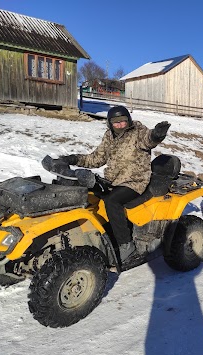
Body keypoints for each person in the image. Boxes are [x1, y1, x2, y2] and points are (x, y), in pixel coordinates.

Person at [60, 105, 171, 262]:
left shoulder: (138, 131)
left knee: (112, 201)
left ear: (129, 120)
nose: (120, 125)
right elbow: (96, 158)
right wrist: (73, 159)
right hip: (114, 180)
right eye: (115, 122)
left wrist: (156, 136)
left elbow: (148, 140)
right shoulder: (109, 136)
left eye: (123, 121)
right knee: (91, 195)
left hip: (135, 181)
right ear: (110, 123)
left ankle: (127, 247)